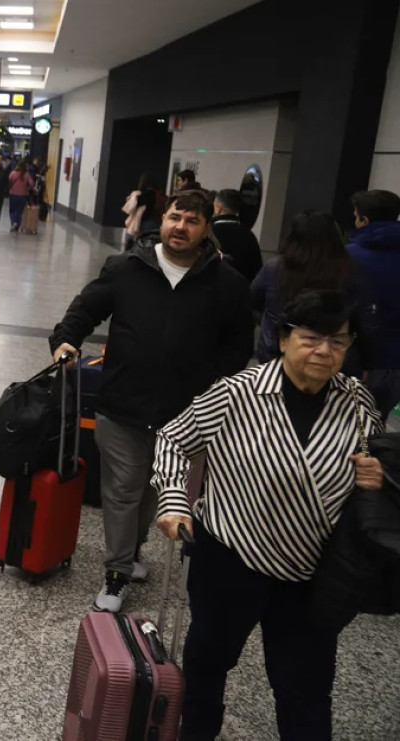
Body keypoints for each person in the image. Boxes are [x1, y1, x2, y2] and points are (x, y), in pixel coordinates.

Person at [153, 290, 384, 741]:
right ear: (283, 339)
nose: (324, 351)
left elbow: (368, 462)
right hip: (231, 558)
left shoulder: (356, 401)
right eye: (312, 338)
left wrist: (377, 475)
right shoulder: (237, 393)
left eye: (339, 341)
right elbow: (173, 439)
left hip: (312, 571)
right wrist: (175, 500)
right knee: (208, 666)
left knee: (306, 688)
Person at [50, 190, 253, 612]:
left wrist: (216, 387)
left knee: (153, 492)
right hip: (122, 403)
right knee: (124, 490)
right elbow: (85, 309)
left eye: (192, 221)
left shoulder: (226, 283)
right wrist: (66, 340)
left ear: (205, 229)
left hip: (184, 415)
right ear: (162, 220)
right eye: (175, 217)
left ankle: (131, 552)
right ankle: (117, 570)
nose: (181, 226)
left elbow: (238, 345)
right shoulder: (126, 268)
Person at [251, 211, 354, 364]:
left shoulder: (276, 267)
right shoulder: (346, 270)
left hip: (276, 347)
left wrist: (271, 322)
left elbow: (252, 300)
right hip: (327, 350)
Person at [347, 188, 400, 416]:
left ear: (364, 220)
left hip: (357, 355)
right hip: (395, 358)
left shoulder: (349, 256)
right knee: (377, 422)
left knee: (344, 420)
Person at [211, 188, 264, 282]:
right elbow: (257, 272)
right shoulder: (249, 236)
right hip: (239, 292)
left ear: (218, 209)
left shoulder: (208, 232)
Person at [7, 161, 33, 233]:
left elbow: (9, 181)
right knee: (19, 211)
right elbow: (31, 183)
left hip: (13, 195)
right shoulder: (27, 175)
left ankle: (13, 223)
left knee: (12, 210)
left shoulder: (13, 173)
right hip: (23, 196)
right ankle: (17, 224)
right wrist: (27, 188)